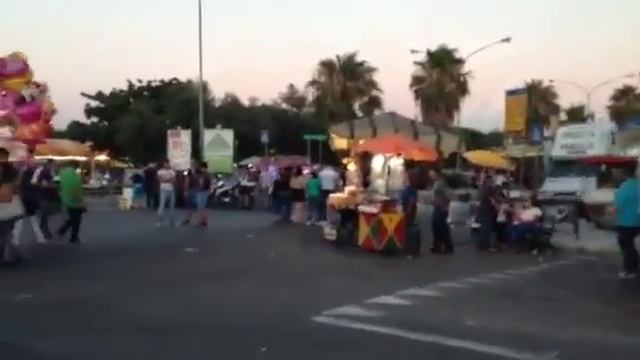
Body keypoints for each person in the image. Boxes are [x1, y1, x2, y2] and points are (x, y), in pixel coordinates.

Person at [613, 164, 640, 279]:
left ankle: (630, 269)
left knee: (626, 246)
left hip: (625, 222)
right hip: (638, 221)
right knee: (631, 245)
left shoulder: (624, 187)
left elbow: (618, 205)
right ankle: (634, 266)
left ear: (624, 174)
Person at [0, 147, 22, 264]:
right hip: (9, 208)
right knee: (6, 233)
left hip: (5, 207)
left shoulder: (10, 171)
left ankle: (6, 255)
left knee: (4, 233)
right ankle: (13, 255)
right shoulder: (11, 170)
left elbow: (6, 195)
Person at [57, 162, 84, 244]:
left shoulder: (61, 175)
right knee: (77, 220)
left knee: (72, 218)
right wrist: (82, 203)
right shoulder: (77, 177)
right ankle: (73, 237)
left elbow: (58, 185)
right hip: (75, 202)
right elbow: (78, 191)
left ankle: (62, 230)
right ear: (76, 167)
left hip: (64, 199)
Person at [31, 159, 58, 240]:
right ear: (49, 164)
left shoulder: (48, 171)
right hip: (43, 194)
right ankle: (44, 229)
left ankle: (43, 227)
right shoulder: (43, 171)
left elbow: (48, 181)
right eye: (53, 164)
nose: (54, 166)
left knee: (45, 211)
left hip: (45, 194)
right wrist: (50, 186)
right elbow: (37, 182)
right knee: (45, 210)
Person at [430, 169, 453, 254]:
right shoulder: (437, 183)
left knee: (441, 227)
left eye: (432, 174)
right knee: (437, 226)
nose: (431, 176)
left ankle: (446, 246)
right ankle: (437, 245)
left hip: (441, 208)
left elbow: (448, 194)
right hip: (438, 206)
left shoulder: (441, 183)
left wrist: (445, 204)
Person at [182, 161, 211, 227]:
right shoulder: (189, 171)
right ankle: (187, 219)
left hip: (198, 190)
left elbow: (203, 181)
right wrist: (185, 189)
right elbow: (185, 177)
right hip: (192, 190)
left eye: (194, 164)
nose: (193, 165)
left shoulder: (201, 172)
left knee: (200, 206)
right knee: (189, 205)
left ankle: (203, 221)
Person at [475, 175, 498, 251]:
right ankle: (484, 245)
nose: (493, 181)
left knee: (484, 227)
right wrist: (497, 204)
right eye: (491, 180)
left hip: (482, 209)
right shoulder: (489, 188)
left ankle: (481, 244)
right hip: (487, 209)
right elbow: (493, 199)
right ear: (489, 180)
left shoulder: (482, 187)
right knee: (486, 227)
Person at [156, 160, 177, 227]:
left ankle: (172, 222)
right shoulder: (160, 171)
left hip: (171, 190)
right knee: (162, 206)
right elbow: (160, 180)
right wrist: (168, 180)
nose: (167, 165)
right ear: (163, 164)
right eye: (166, 164)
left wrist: (165, 180)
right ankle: (159, 221)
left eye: (168, 164)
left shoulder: (172, 171)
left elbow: (173, 181)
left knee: (172, 207)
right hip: (163, 190)